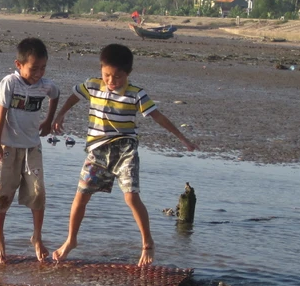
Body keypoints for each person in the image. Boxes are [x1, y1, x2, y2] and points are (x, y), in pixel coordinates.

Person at [52, 43, 197, 266]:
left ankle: (147, 242)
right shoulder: (92, 85)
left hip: (125, 149)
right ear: (101, 70)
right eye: (107, 75)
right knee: (81, 196)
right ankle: (71, 240)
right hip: (96, 150)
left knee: (131, 196)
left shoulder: (135, 94)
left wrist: (182, 138)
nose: (111, 81)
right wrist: (60, 115)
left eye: (117, 77)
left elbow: (158, 116)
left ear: (128, 73)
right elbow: (73, 96)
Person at [0, 37, 60, 263]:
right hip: (7, 146)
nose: (38, 73)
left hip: (32, 148)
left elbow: (55, 94)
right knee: (2, 194)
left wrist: (49, 120)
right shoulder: (10, 82)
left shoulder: (45, 85)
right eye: (33, 68)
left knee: (37, 194)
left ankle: (37, 237)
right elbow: (0, 115)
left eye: (43, 68)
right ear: (19, 65)